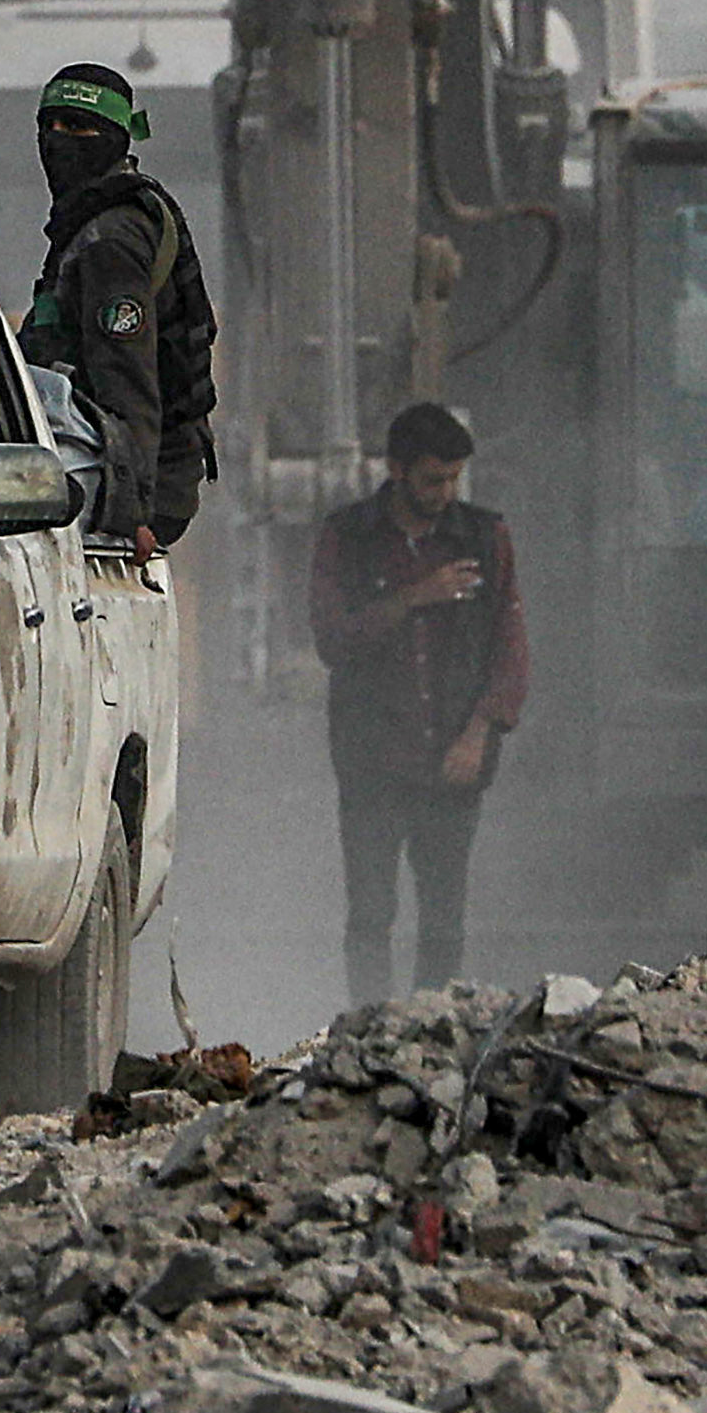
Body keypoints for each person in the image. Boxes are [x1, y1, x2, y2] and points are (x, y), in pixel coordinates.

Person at [309, 400, 526, 1005]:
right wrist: (415, 597)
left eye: (454, 478)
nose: (445, 492)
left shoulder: (484, 537)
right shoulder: (348, 538)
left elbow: (510, 647)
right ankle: (371, 1026)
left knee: (443, 922)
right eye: (434, 478)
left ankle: (432, 1028)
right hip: (372, 760)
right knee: (371, 916)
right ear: (397, 471)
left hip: (453, 762)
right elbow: (334, 638)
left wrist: (480, 732)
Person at [17, 60, 215, 550]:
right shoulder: (92, 222)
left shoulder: (110, 241)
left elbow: (127, 380)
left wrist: (131, 513)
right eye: (49, 125)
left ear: (114, 138)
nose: (57, 140)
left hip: (122, 485)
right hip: (106, 466)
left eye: (77, 127)